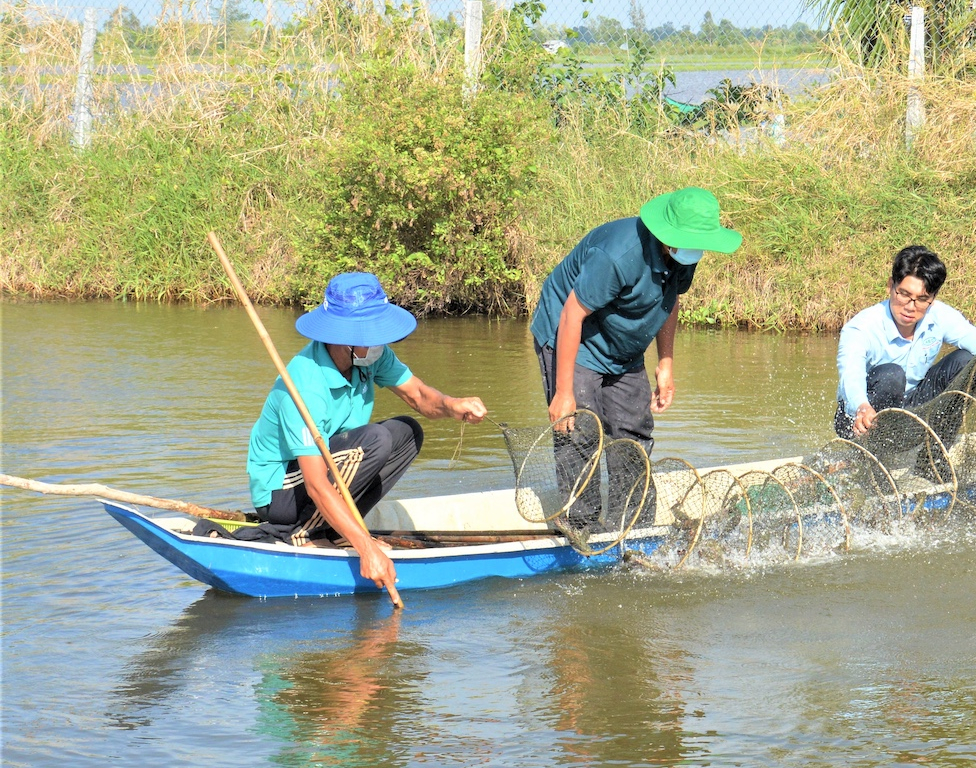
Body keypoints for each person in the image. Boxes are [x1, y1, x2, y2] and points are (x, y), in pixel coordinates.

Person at [245, 272, 486, 591]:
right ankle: (303, 534)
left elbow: (419, 396)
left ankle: (333, 530)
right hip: (281, 492)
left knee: (406, 433)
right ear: (344, 339)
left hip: (326, 470)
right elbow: (316, 483)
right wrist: (366, 547)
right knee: (375, 439)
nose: (379, 344)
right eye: (371, 336)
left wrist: (453, 405)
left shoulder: (370, 358)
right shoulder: (305, 382)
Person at [529, 187, 741, 525]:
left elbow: (669, 301)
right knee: (580, 431)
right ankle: (580, 525)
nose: (696, 249)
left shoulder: (683, 256)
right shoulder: (617, 255)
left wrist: (666, 363)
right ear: (667, 237)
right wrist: (564, 392)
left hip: (623, 346)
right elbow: (571, 315)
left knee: (634, 432)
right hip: (572, 336)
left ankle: (632, 524)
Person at [834, 246, 976, 450]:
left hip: (911, 408)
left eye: (921, 299)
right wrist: (862, 406)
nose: (910, 307)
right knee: (892, 374)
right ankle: (868, 455)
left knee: (966, 361)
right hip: (860, 415)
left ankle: (932, 458)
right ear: (890, 286)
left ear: (932, 298)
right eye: (904, 294)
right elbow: (851, 374)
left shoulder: (939, 316)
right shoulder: (861, 328)